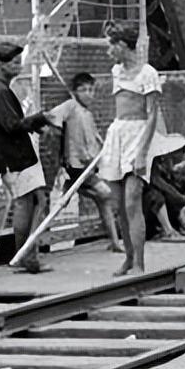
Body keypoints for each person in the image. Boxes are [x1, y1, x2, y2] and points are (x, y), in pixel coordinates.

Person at [96, 22, 185, 274]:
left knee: (132, 201)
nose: (109, 51)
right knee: (119, 204)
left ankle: (139, 262)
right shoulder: (116, 71)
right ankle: (128, 257)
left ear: (122, 45)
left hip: (138, 136)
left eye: (111, 46)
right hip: (118, 134)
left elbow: (151, 114)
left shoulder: (148, 73)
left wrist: (142, 153)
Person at [0, 41, 52, 273]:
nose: (19, 66)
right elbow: (11, 125)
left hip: (12, 156)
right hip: (14, 157)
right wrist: (40, 119)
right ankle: (25, 256)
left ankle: (26, 253)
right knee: (27, 201)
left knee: (35, 199)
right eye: (14, 62)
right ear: (1, 64)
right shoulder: (0, 91)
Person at [46, 72, 122, 252]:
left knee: (103, 200)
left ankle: (115, 242)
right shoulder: (71, 106)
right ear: (75, 91)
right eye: (83, 90)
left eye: (91, 90)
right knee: (105, 193)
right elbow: (51, 117)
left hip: (90, 165)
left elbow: (94, 139)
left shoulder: (87, 113)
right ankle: (71, 187)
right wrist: (57, 135)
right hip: (77, 165)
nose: (88, 94)